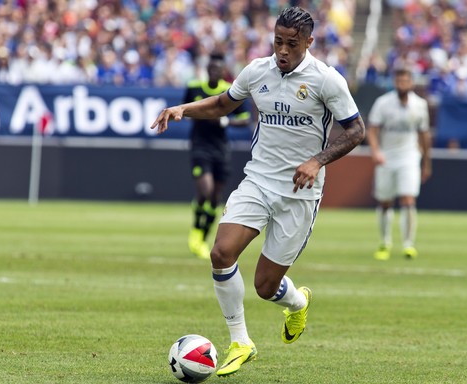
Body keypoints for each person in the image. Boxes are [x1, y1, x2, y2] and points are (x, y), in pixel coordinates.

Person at [151, 6, 365, 377]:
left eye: (292, 44)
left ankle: (297, 303)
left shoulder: (326, 80)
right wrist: (182, 109)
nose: (282, 50)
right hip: (258, 180)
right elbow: (222, 104)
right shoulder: (258, 70)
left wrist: (317, 161)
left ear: (309, 43)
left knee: (265, 287)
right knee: (221, 252)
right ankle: (241, 341)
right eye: (278, 41)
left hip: (299, 194)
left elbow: (356, 130)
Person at [184, 53, 251, 260]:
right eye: (211, 68)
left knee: (215, 198)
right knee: (206, 190)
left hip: (220, 148)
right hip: (200, 146)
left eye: (218, 69)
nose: (214, 72)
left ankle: (203, 238)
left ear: (223, 72)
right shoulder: (194, 87)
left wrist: (224, 122)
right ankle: (196, 232)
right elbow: (185, 109)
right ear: (207, 69)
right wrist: (201, 115)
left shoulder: (229, 91)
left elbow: (245, 118)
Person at [366, 68, 431, 261]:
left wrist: (427, 162)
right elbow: (372, 129)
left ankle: (408, 245)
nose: (402, 84)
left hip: (410, 156)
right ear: (395, 82)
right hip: (387, 157)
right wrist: (376, 151)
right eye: (399, 81)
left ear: (411, 83)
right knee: (385, 202)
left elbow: (424, 134)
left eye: (405, 81)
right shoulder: (383, 103)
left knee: (408, 199)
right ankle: (385, 242)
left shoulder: (420, 105)